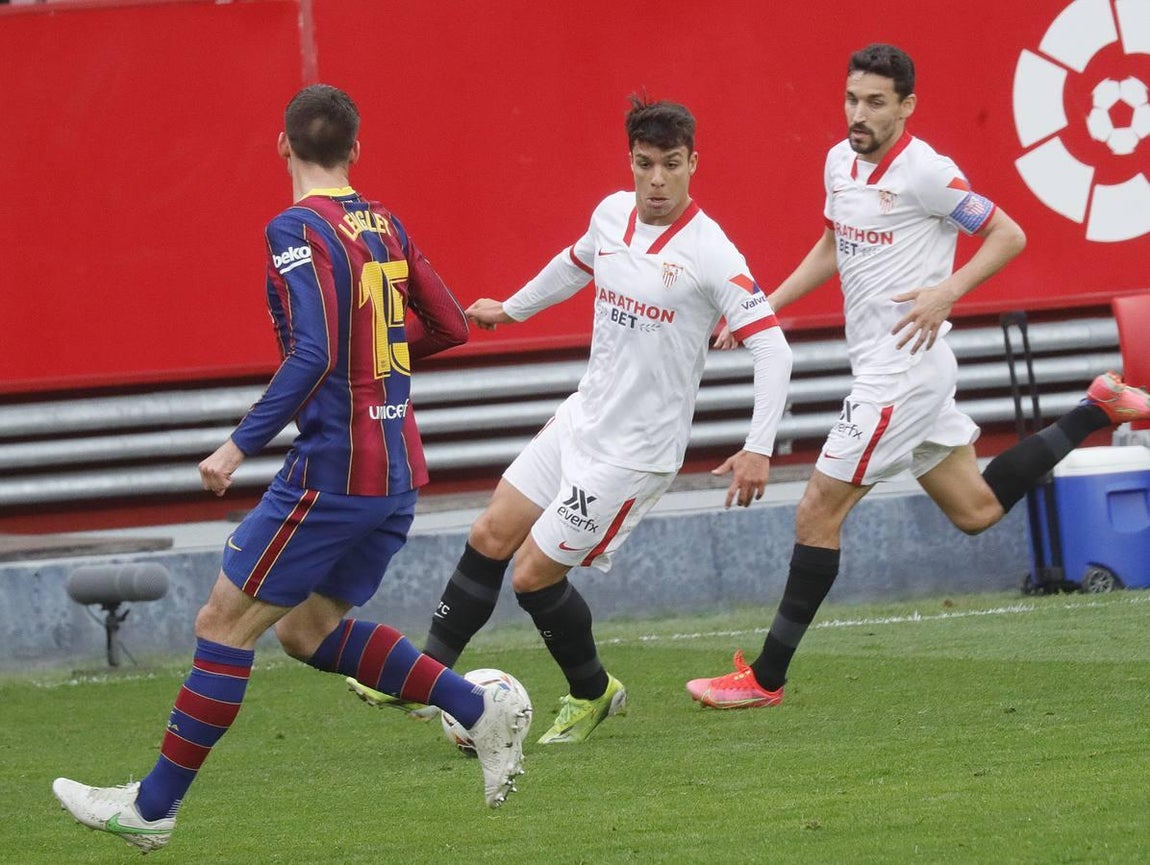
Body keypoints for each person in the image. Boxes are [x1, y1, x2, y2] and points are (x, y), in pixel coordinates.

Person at [52, 84, 531, 853]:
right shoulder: (386, 221)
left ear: (282, 146)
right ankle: (476, 710)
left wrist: (238, 444)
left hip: (333, 473)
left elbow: (313, 350)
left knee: (221, 622)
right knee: (308, 631)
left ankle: (151, 807)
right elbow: (447, 324)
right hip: (398, 468)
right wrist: (382, 364)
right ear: (357, 150)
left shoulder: (292, 228)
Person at [685, 43, 1150, 710]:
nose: (859, 113)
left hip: (900, 374)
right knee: (976, 509)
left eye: (876, 102)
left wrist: (945, 292)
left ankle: (765, 677)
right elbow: (831, 246)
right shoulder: (839, 164)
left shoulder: (928, 174)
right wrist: (764, 307)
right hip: (902, 372)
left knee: (817, 511)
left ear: (907, 106)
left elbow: (1009, 235)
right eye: (852, 99)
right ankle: (1098, 407)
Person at [349, 95, 794, 743]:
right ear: (631, 162)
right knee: (490, 530)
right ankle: (422, 674)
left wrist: (759, 447)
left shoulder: (711, 252)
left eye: (672, 164)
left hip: (635, 454)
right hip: (581, 418)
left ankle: (592, 691)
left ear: (694, 163)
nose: (658, 180)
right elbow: (575, 263)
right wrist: (514, 309)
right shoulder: (611, 215)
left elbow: (774, 348)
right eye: (646, 164)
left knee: (532, 574)